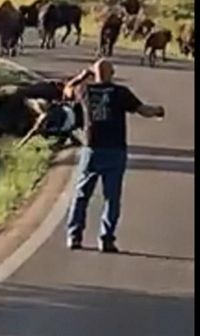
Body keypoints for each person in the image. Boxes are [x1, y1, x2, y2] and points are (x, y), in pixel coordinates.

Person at [65, 58, 165, 253]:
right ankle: (106, 239)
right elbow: (143, 110)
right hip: (115, 150)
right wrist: (158, 111)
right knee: (112, 197)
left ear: (95, 73)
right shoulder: (120, 93)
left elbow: (68, 89)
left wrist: (83, 75)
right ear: (112, 73)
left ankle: (74, 235)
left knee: (81, 195)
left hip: (92, 149)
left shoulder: (84, 90)